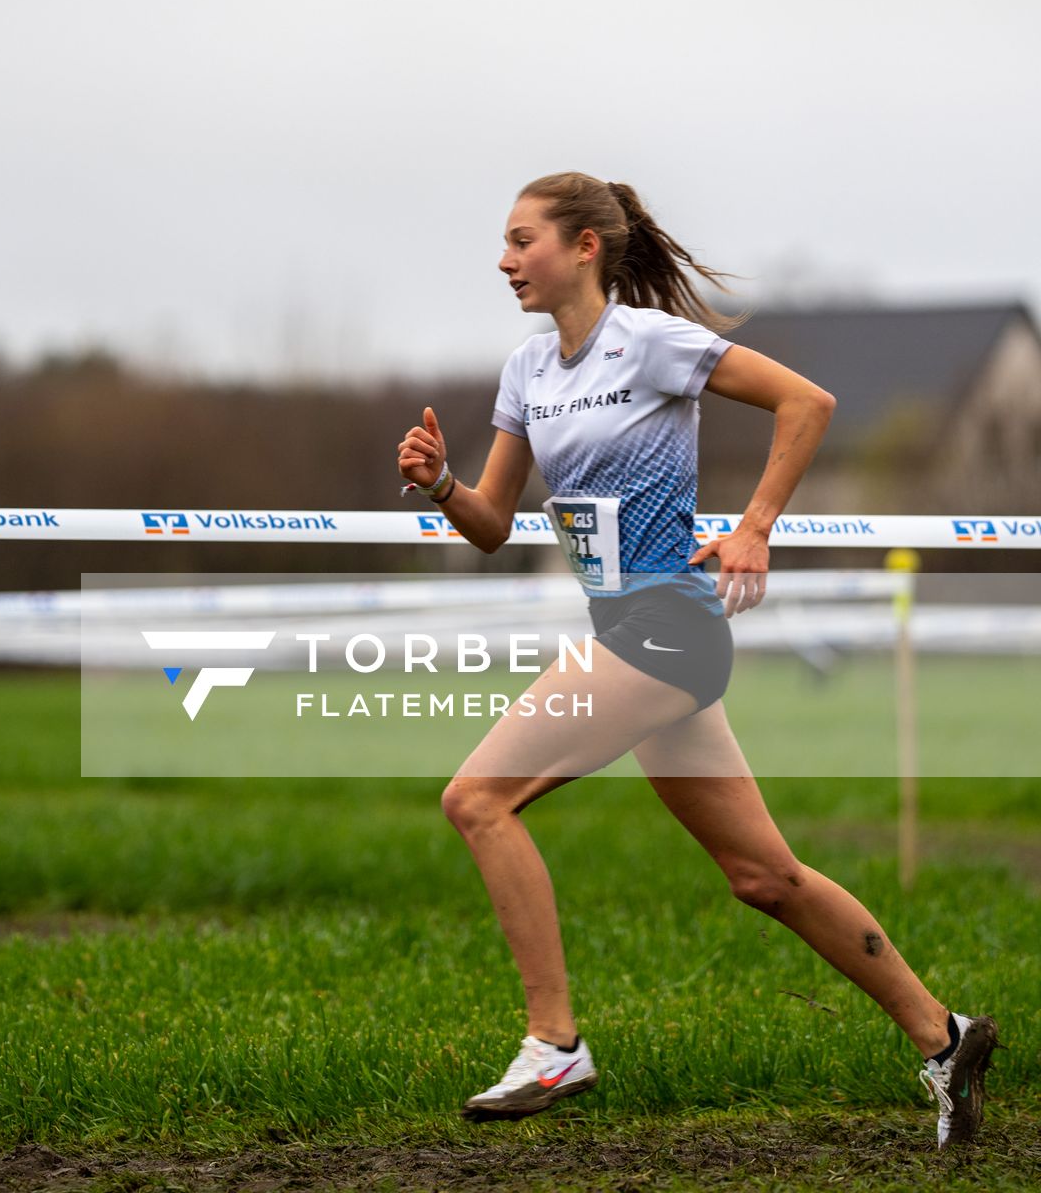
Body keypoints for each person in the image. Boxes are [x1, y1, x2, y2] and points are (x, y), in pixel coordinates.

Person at [396, 173, 998, 1148]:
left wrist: (755, 526)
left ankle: (553, 1042)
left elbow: (806, 402)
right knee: (762, 877)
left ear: (584, 246)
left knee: (476, 799)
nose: (504, 261)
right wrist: (440, 486)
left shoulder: (652, 343)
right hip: (624, 633)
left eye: (521, 240)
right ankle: (944, 1037)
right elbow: (492, 527)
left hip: (667, 627)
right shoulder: (525, 372)